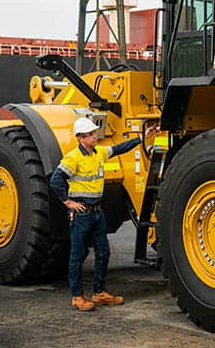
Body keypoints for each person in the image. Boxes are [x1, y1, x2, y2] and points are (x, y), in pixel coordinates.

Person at [49, 117, 158, 311]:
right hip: (82, 215)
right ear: (80, 138)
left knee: (103, 252)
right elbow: (56, 180)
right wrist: (69, 202)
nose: (95, 136)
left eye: (94, 133)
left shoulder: (99, 152)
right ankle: (77, 297)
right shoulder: (73, 158)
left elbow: (119, 148)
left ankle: (99, 293)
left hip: (97, 213)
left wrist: (142, 138)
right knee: (77, 256)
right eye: (90, 134)